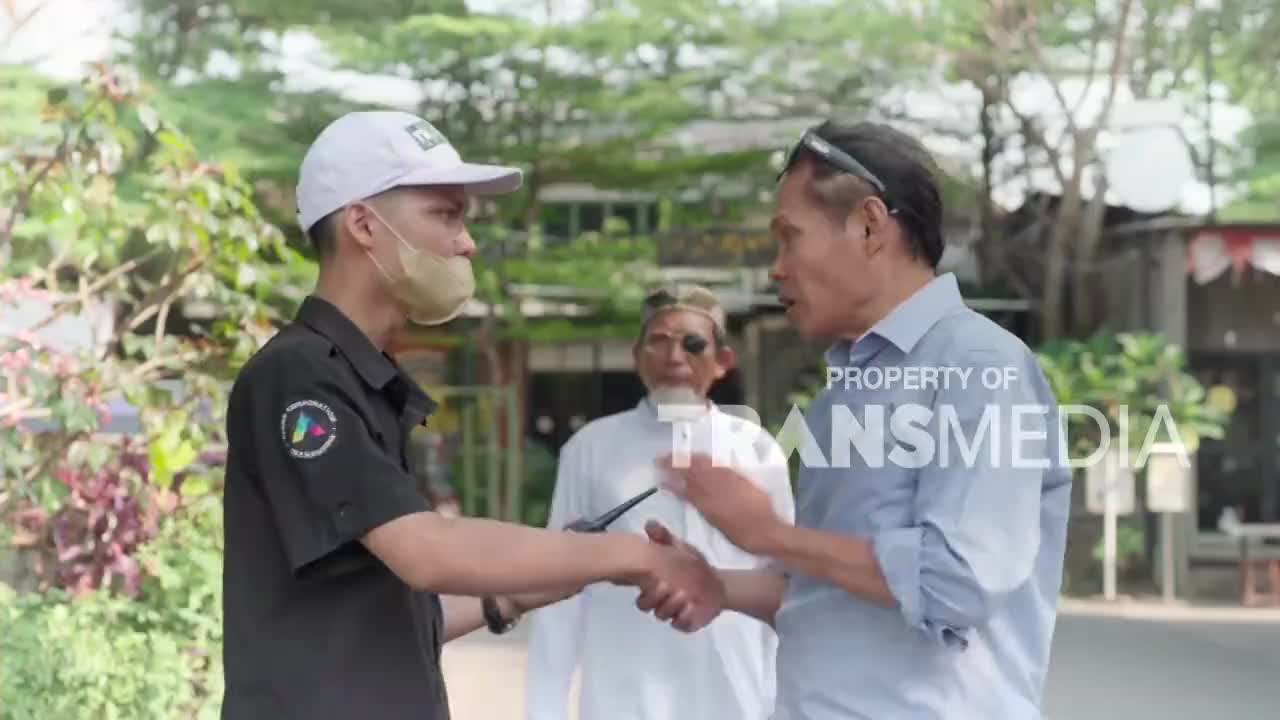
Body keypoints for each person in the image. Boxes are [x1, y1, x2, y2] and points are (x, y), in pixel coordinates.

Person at [220, 110, 723, 720]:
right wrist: (638, 556)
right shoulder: (299, 376)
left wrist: (513, 595)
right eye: (446, 214)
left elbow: (375, 612)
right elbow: (428, 551)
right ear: (363, 224)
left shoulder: (364, 380)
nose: (467, 242)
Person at [643, 120, 1072, 719]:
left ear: (870, 225)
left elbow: (956, 582)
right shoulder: (845, 395)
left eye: (788, 238)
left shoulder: (979, 366)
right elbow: (835, 588)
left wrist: (769, 533)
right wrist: (721, 585)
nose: (777, 268)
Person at [524, 286, 796, 720]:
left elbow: (785, 580)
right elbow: (562, 582)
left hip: (739, 693)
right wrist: (545, 709)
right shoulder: (592, 447)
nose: (674, 357)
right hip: (625, 690)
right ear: (637, 357)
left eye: (693, 344)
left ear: (723, 361)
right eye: (659, 341)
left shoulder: (756, 448)